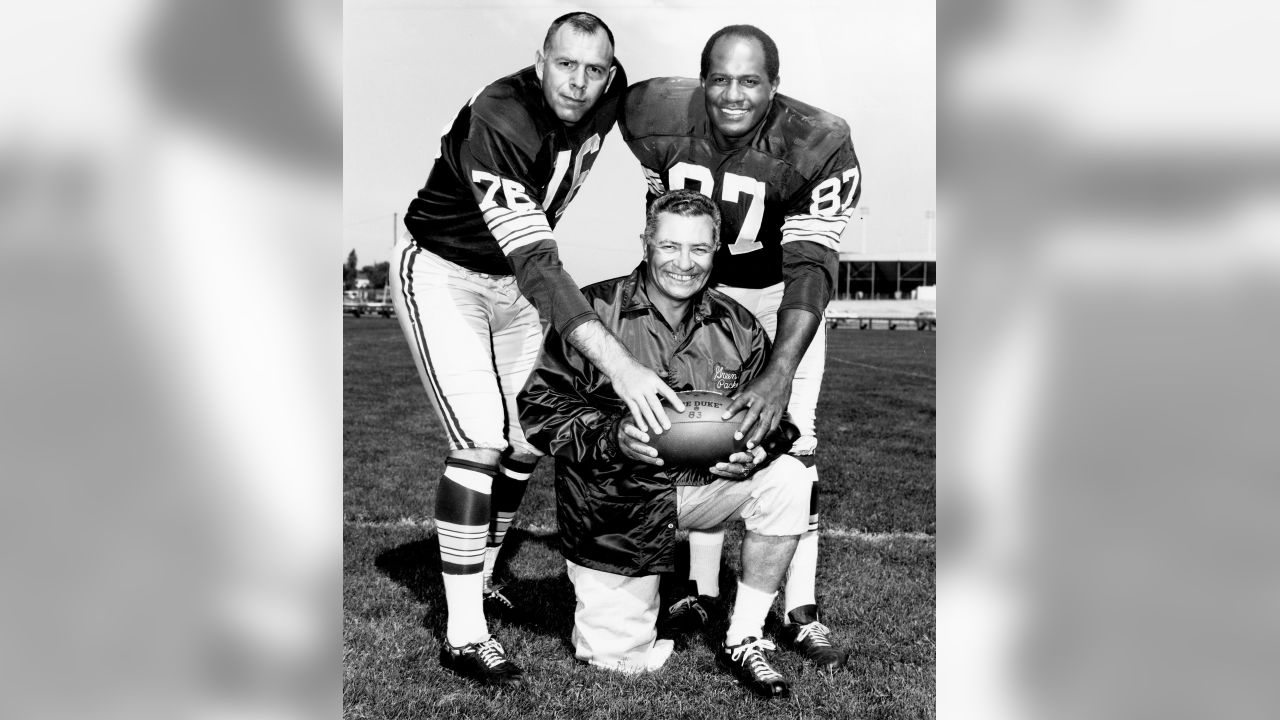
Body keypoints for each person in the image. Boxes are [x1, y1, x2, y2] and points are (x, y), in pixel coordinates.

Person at [390, 12, 684, 687]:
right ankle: (463, 633)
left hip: (512, 281)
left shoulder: (610, 94)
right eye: (566, 65)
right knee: (479, 442)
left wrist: (661, 192)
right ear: (540, 60)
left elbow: (661, 126)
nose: (579, 83)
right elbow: (537, 263)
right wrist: (621, 364)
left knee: (527, 440)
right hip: (445, 270)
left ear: (609, 72)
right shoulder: (502, 115)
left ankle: (483, 578)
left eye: (594, 68)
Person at [619, 25, 863, 670]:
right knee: (699, 427)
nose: (733, 95)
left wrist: (781, 366)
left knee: (794, 442)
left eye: (750, 81)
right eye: (720, 79)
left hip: (783, 289)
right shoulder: (654, 112)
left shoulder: (819, 142)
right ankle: (699, 588)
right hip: (704, 284)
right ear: (702, 81)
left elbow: (811, 264)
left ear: (774, 87)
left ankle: (800, 608)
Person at [519, 190, 811, 698]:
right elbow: (538, 412)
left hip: (704, 487)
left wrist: (756, 451)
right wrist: (613, 436)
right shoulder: (592, 312)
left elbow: (778, 421)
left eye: (699, 249)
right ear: (646, 243)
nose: (684, 263)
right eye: (670, 246)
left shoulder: (738, 325)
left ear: (716, 250)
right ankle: (654, 602)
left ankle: (745, 635)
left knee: (788, 477)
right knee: (616, 664)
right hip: (616, 502)